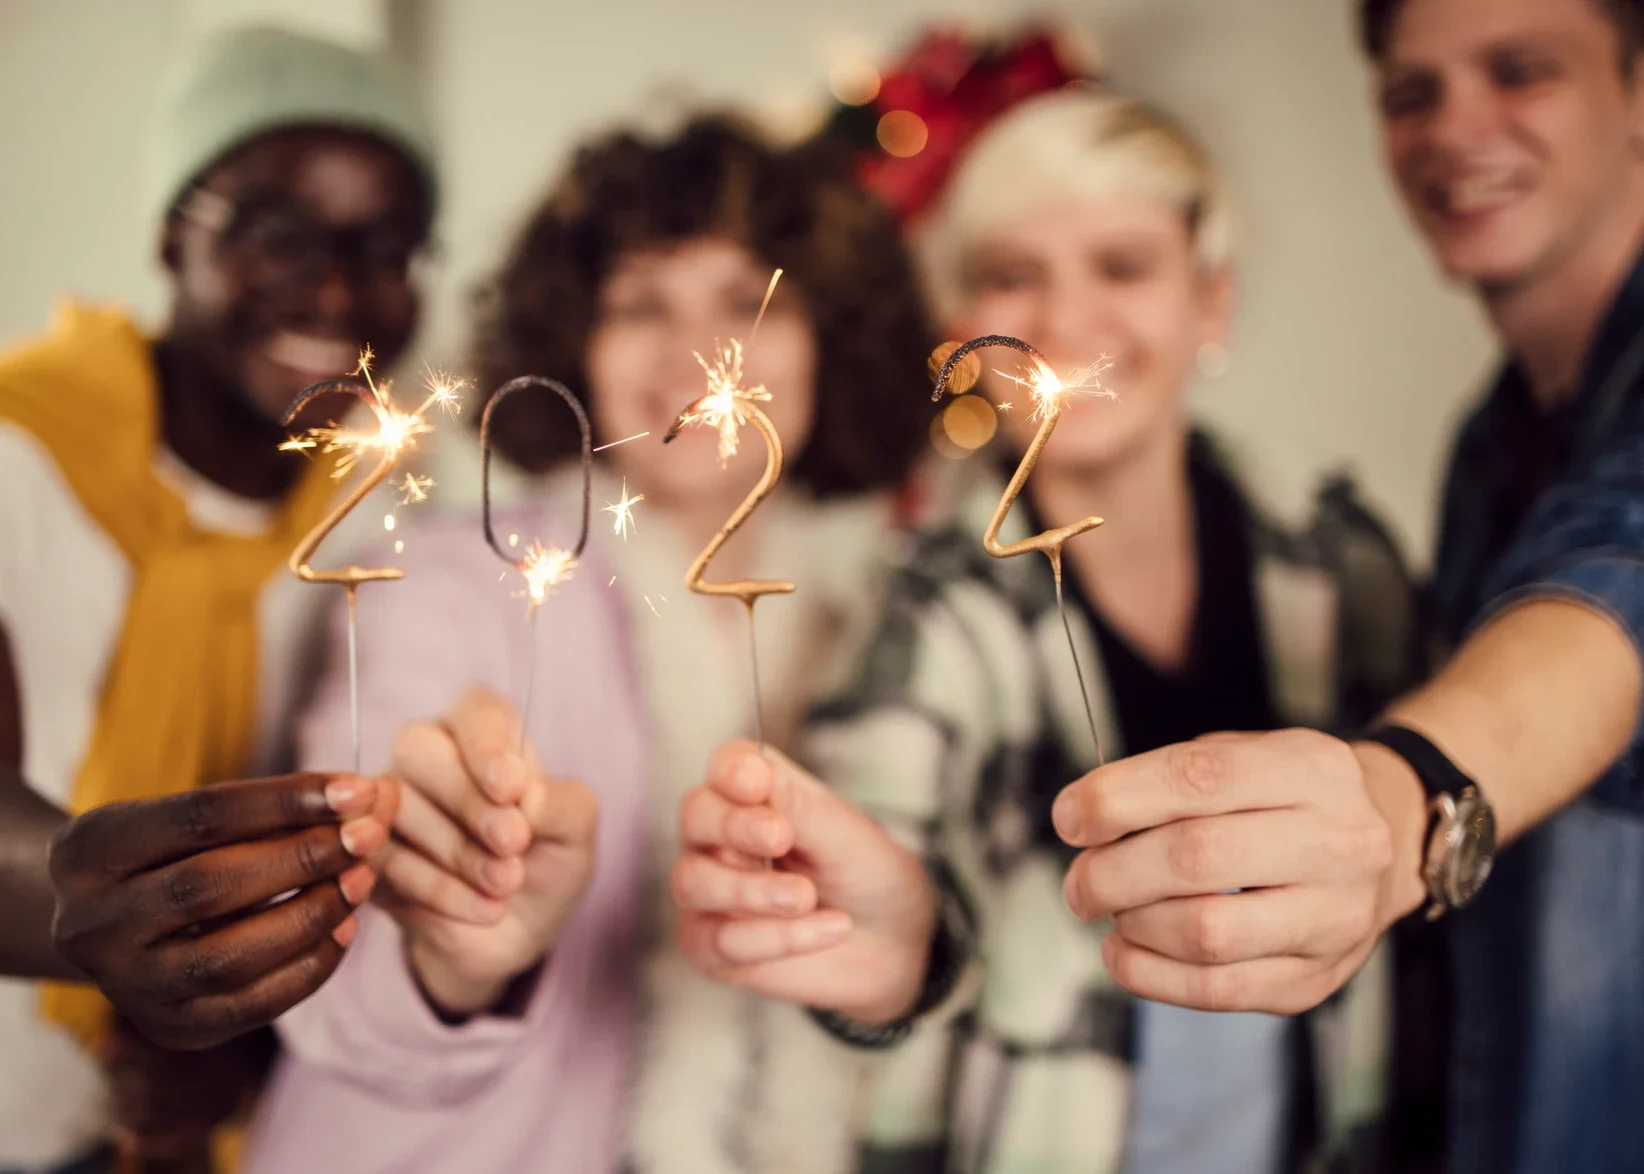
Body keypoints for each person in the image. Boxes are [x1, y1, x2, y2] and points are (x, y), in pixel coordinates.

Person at [683, 2, 1644, 1172]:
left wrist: (1404, 808)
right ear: (960, 327)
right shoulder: (926, 607)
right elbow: (890, 850)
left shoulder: (1344, 562)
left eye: (1122, 266)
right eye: (1012, 276)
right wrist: (901, 949)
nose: (1067, 323)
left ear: (1210, 301)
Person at [239, 116, 938, 1174]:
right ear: (573, 344)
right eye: (638, 303)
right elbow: (338, 956)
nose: (698, 353)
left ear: (829, 339)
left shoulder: (896, 628)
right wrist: (453, 954)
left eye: (751, 301)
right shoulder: (449, 581)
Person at [0, 26, 430, 1173]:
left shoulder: (387, 521)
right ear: (171, 236)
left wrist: (250, 1020)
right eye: (277, 233)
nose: (335, 289)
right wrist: (86, 907)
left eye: (384, 244)